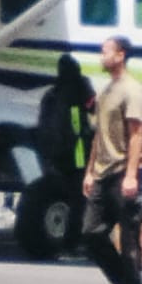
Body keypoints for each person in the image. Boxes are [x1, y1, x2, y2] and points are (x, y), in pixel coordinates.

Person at [81, 36, 142, 284]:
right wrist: (89, 171)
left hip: (123, 173)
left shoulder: (131, 90)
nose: (101, 56)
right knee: (90, 233)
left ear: (120, 55)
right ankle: (128, 281)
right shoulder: (106, 91)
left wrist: (131, 175)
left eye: (105, 51)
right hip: (102, 173)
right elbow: (99, 134)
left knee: (129, 237)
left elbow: (137, 132)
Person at [34, 52, 97, 232]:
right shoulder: (80, 86)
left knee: (68, 193)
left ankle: (71, 233)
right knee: (81, 196)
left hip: (55, 153)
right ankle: (77, 234)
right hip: (77, 150)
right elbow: (92, 107)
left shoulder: (51, 94)